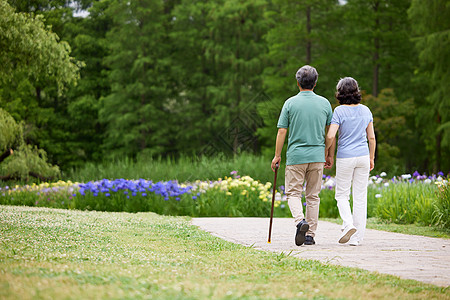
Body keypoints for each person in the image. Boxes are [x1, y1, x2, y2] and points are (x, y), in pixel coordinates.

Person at [271, 65, 333, 246]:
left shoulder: (290, 103)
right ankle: (310, 236)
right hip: (317, 156)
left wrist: (277, 155)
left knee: (293, 193)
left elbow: (282, 131)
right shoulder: (324, 103)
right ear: (316, 82)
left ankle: (300, 221)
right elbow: (331, 133)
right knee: (313, 196)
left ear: (298, 82)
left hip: (296, 157)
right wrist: (329, 154)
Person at [325, 77, 376, 246]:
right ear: (356, 91)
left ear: (340, 93)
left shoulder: (339, 112)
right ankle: (357, 238)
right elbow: (371, 137)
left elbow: (331, 135)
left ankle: (348, 224)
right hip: (363, 156)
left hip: (345, 156)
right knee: (360, 197)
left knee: (341, 194)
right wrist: (371, 157)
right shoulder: (366, 110)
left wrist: (326, 152)